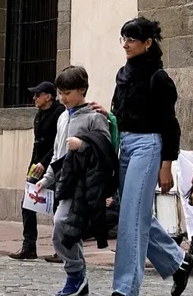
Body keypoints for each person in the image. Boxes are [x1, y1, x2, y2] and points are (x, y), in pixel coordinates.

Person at [108, 16, 193, 296]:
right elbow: (117, 112)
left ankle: (125, 288)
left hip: (149, 145)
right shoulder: (123, 73)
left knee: (132, 217)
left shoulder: (159, 78)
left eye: (131, 39)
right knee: (135, 214)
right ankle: (178, 262)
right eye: (124, 38)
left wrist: (167, 164)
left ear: (147, 43)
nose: (126, 44)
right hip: (126, 145)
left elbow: (170, 125)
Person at [36, 66, 115, 296]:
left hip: (84, 185)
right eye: (60, 93)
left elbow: (105, 150)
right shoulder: (62, 117)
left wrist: (83, 145)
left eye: (67, 93)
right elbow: (56, 153)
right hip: (64, 183)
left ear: (82, 90)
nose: (62, 98)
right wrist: (47, 179)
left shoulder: (94, 118)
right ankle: (78, 279)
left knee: (61, 227)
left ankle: (76, 274)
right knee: (67, 231)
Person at [11, 80, 62, 262]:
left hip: (55, 166)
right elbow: (37, 144)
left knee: (58, 207)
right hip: (38, 168)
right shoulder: (39, 115)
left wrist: (45, 162)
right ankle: (29, 247)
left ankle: (61, 250)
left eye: (37, 95)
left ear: (48, 97)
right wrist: (31, 168)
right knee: (27, 203)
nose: (34, 98)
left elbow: (58, 144)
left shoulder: (59, 114)